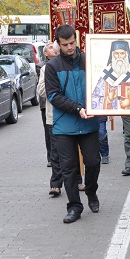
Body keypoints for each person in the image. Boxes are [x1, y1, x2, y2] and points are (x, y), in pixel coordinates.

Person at [44, 24, 100, 224]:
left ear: (77, 40)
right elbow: (53, 96)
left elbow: (101, 85)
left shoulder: (88, 60)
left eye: (72, 43)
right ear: (58, 45)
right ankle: (74, 206)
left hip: (89, 123)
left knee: (93, 162)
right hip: (64, 125)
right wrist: (78, 108)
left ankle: (92, 193)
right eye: (65, 44)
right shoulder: (52, 66)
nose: (69, 47)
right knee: (69, 168)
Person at [91, 40, 130, 112]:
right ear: (113, 55)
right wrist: (108, 99)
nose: (119, 57)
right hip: (110, 116)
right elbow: (94, 99)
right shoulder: (106, 73)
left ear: (126, 54)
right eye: (116, 54)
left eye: (122, 53)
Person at [38, 41, 62, 195]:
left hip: (72, 114)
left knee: (73, 150)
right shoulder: (46, 68)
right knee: (55, 151)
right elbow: (40, 91)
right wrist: (53, 85)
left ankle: (78, 180)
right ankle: (56, 184)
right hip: (53, 115)